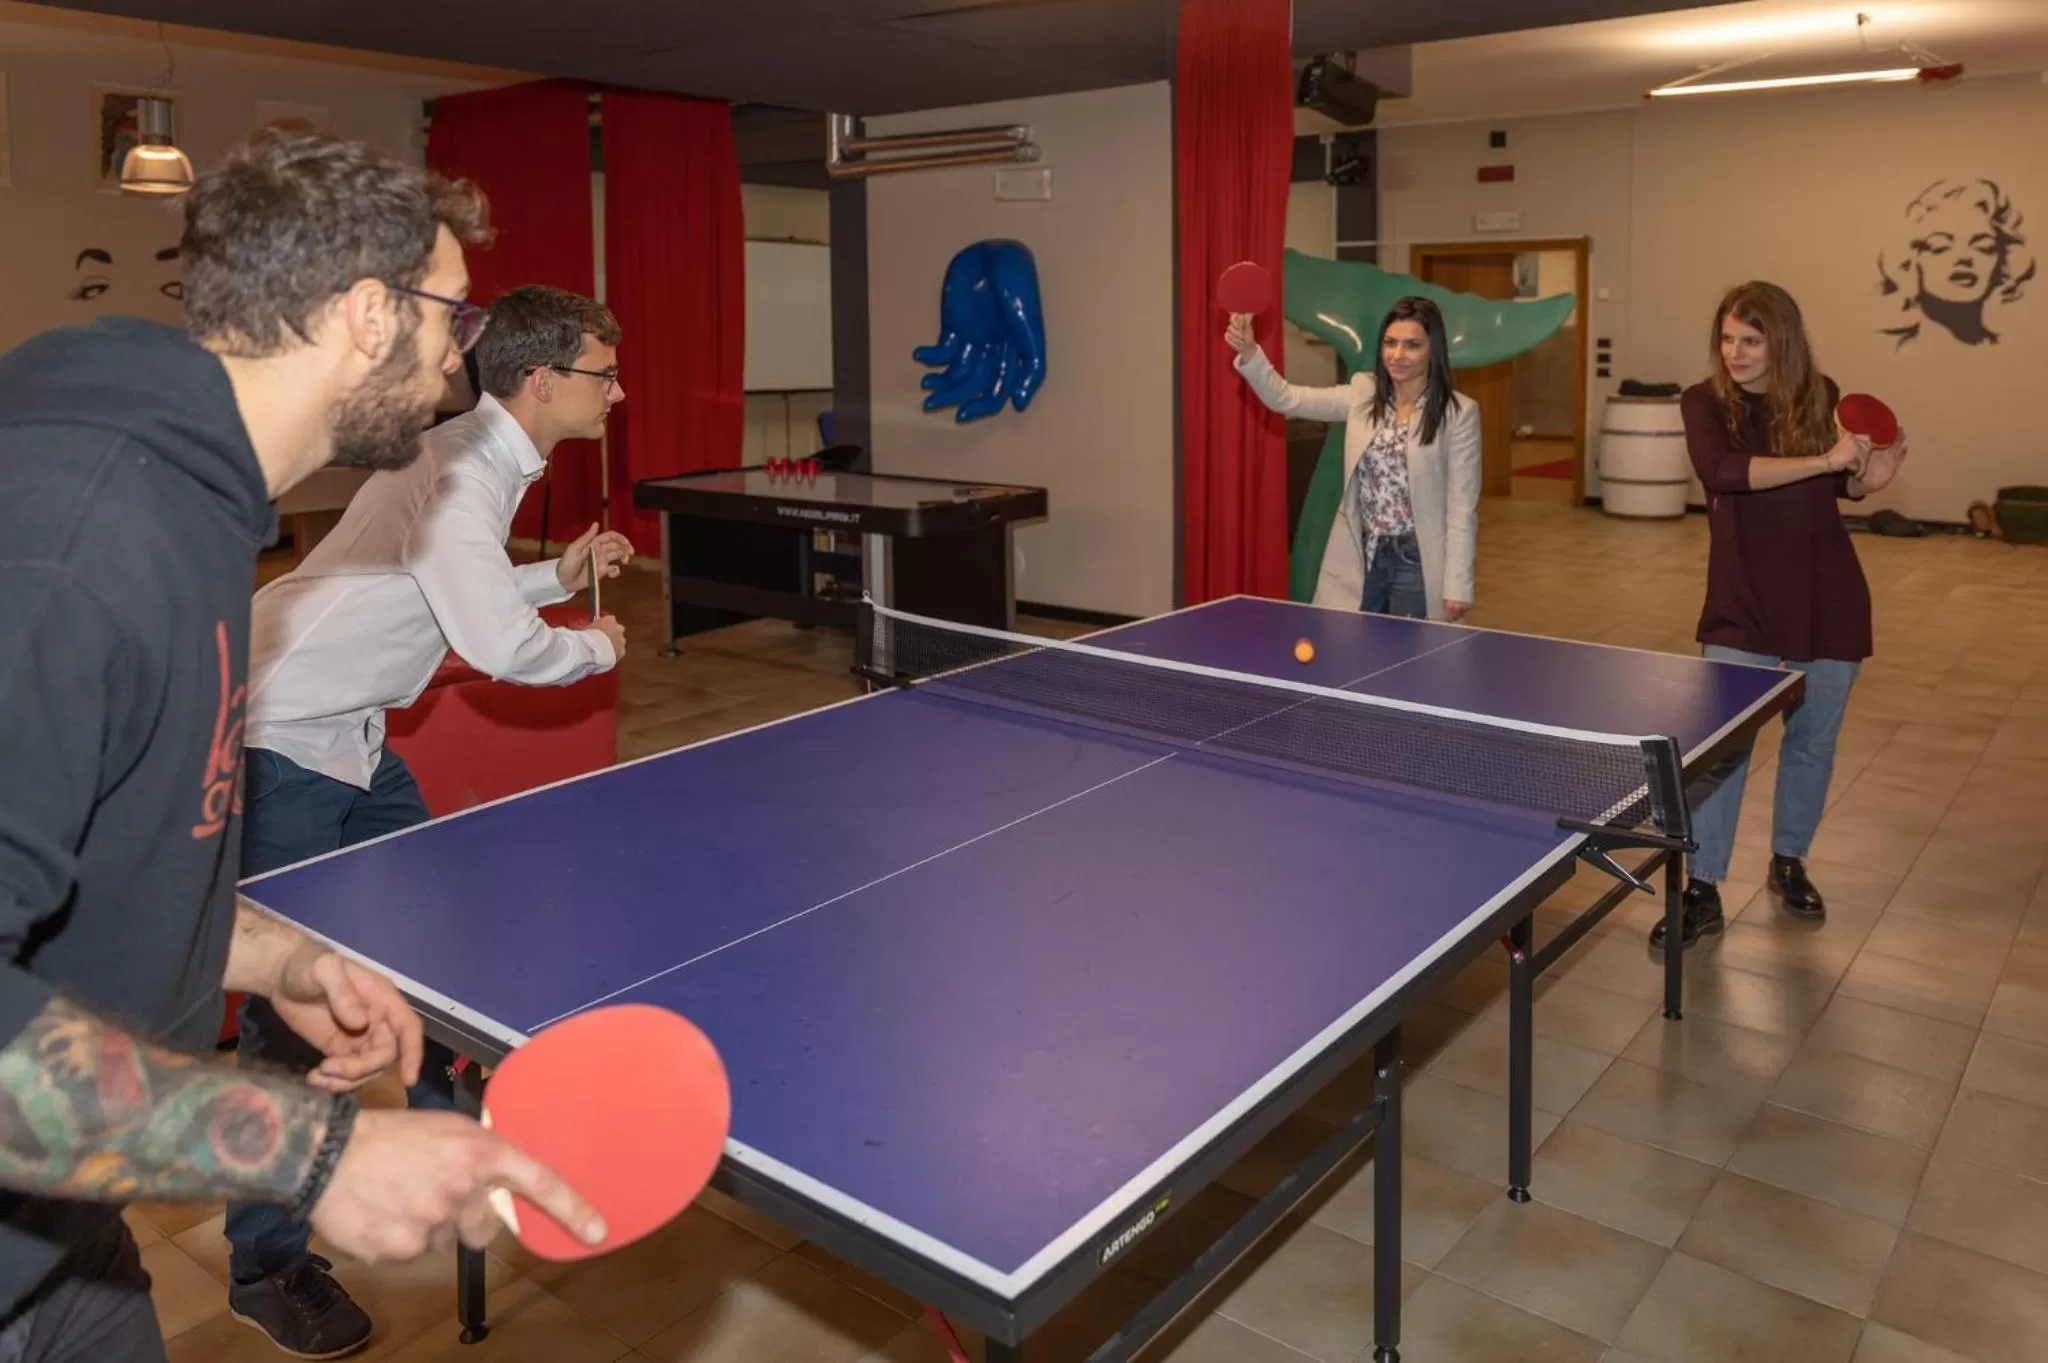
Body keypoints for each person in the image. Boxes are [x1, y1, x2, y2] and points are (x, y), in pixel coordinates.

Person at [0, 129, 602, 1362]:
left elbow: (105, 864)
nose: (460, 349)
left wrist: (278, 958)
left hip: (60, 1227)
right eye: (450, 314)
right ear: (368, 315)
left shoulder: (198, 499)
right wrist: (312, 1148)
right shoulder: (72, 542)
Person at [224, 285, 632, 1352]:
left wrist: (558, 572)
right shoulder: (461, 470)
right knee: (282, 1012)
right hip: (279, 745)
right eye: (602, 372)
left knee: (442, 936)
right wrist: (594, 643)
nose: (618, 390)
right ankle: (266, 1265)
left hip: (348, 734)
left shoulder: (473, 454)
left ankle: (456, 1138)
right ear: (541, 381)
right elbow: (496, 647)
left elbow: (437, 587)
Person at [1652, 280, 1908, 951]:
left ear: (1781, 340)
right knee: (1727, 749)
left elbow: (1835, 485)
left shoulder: (1821, 394)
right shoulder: (1703, 402)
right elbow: (1724, 471)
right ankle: (1702, 888)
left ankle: (1788, 860)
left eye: (1750, 339)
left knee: (1813, 740)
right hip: (1744, 598)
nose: (1733, 352)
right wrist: (1827, 460)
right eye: (1726, 338)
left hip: (1829, 592)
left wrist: (1863, 480)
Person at [1226, 295, 1482, 622]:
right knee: (1354, 654)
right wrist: (1249, 352)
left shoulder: (1458, 414)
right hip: (1360, 554)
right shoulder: (1363, 391)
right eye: (1390, 343)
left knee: (1412, 662)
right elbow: (1286, 398)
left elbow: (1462, 506)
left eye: (1412, 345)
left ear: (1433, 349)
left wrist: (1458, 583)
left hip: (1417, 561)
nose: (1397, 355)